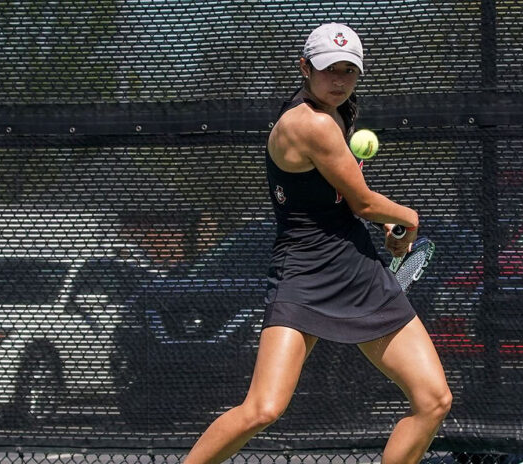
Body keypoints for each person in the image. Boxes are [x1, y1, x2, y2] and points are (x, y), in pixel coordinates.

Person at [184, 23, 452, 464]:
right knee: (263, 409)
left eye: (349, 71)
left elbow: (346, 198)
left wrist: (383, 229)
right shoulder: (308, 124)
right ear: (305, 68)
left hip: (360, 272)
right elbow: (365, 204)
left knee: (433, 400)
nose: (340, 80)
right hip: (305, 274)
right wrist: (408, 218)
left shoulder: (337, 115)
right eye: (330, 70)